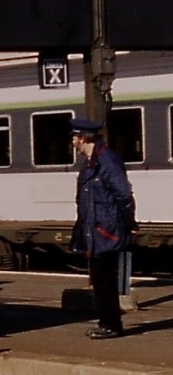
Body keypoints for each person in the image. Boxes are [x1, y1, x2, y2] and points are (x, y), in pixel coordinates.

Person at [70, 118, 136, 339]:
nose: (72, 142)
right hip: (97, 229)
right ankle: (107, 322)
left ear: (83, 138)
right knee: (100, 278)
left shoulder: (106, 160)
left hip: (107, 229)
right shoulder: (92, 162)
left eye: (74, 137)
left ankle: (111, 325)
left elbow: (123, 195)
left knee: (104, 279)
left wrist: (128, 224)